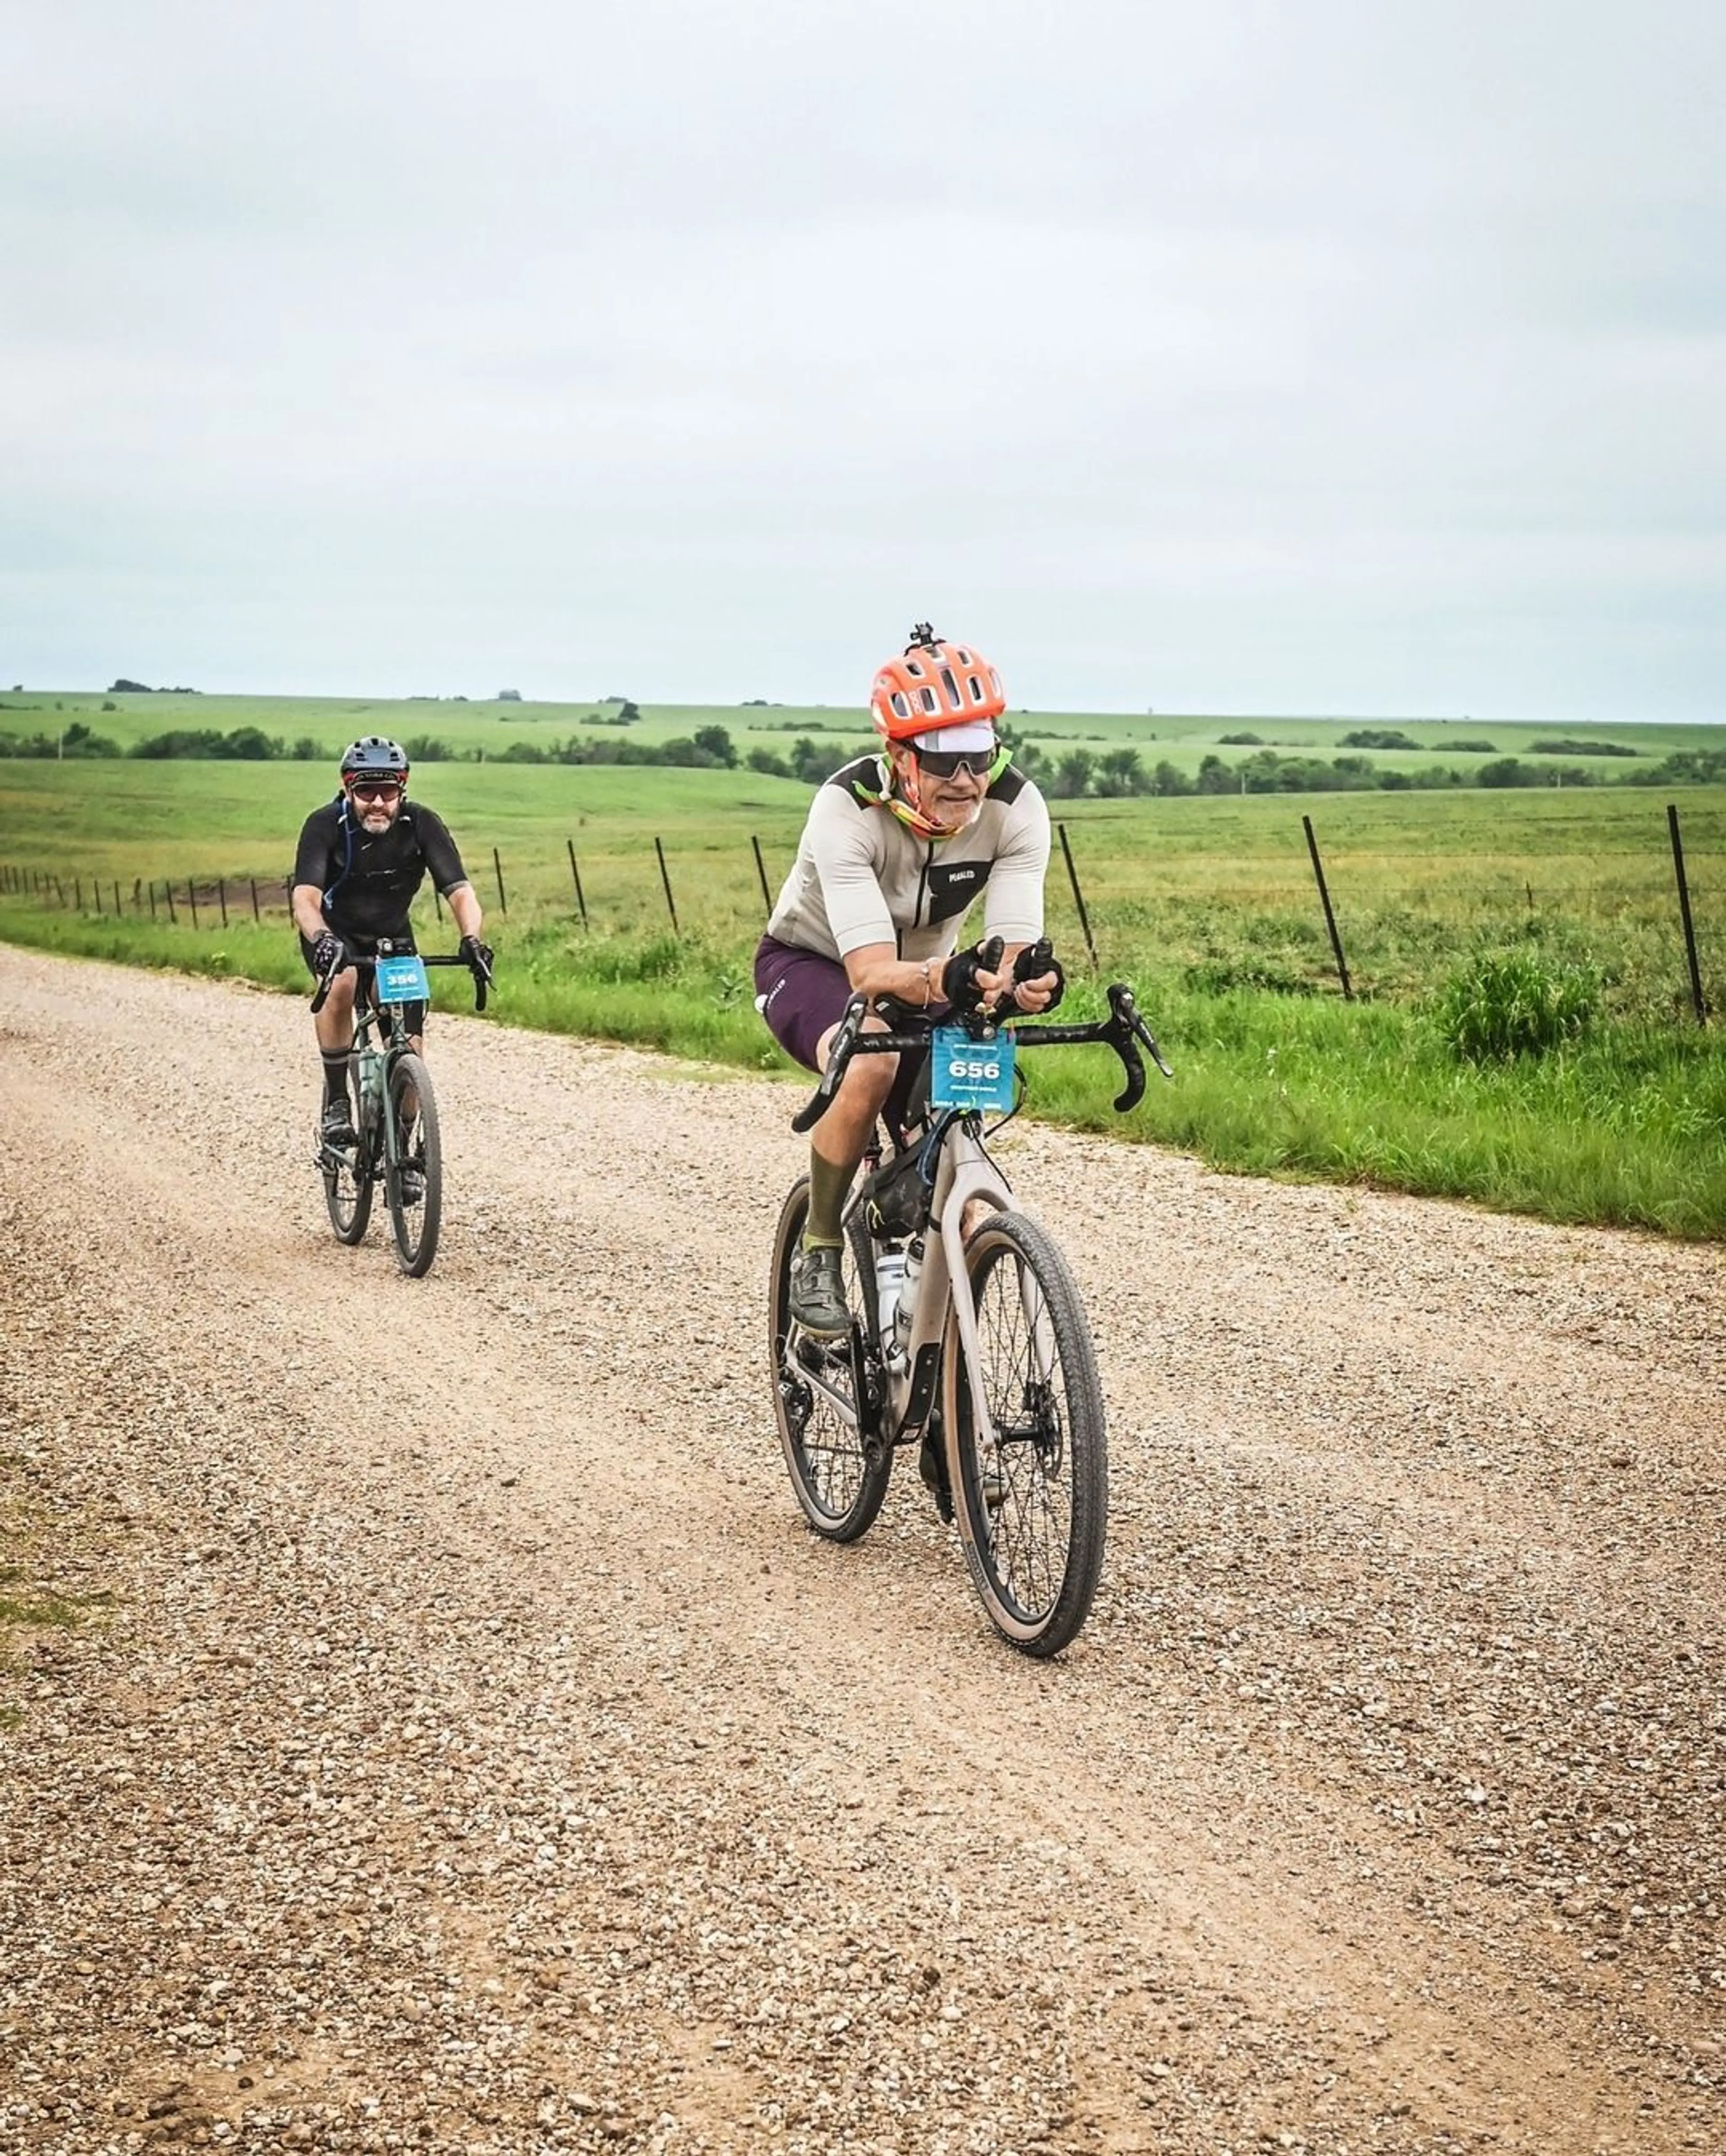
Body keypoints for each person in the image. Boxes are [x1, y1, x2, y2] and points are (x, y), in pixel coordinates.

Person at [756, 626, 1063, 1336]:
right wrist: (952, 975)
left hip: (932, 976)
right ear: (900, 756)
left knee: (955, 1112)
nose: (965, 780)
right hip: (813, 962)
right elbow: (868, 974)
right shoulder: (846, 808)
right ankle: (823, 1249)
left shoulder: (1017, 809)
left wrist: (1024, 983)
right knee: (872, 1056)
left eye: (979, 755)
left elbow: (1010, 950)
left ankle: (937, 1354)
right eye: (942, 759)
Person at [290, 736, 491, 1155]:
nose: (378, 802)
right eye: (366, 791)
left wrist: (472, 939)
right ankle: (338, 1102)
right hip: (334, 935)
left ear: (403, 788)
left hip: (392, 937)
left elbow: (460, 892)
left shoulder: (421, 824)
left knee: (411, 1048)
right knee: (343, 984)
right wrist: (322, 938)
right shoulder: (324, 825)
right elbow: (305, 898)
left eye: (388, 791)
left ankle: (402, 1143)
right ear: (348, 788)